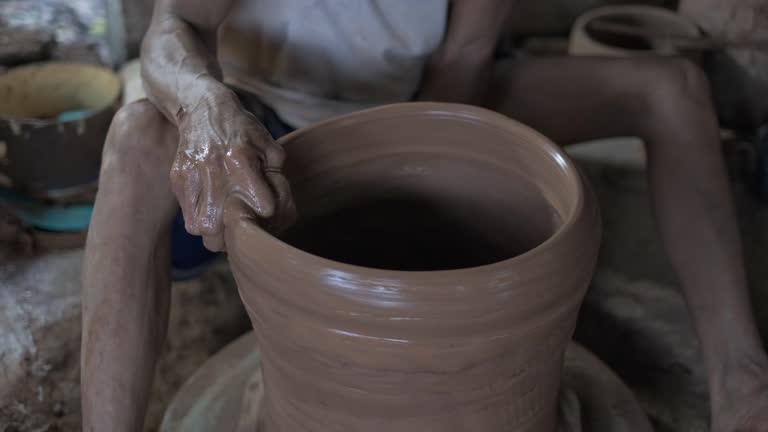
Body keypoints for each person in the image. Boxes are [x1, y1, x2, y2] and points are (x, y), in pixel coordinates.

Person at [80, 0, 768, 430]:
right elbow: (177, 25)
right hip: (260, 116)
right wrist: (203, 105)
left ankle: (742, 384)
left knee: (671, 91)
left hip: (414, 98)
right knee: (138, 138)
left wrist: (410, 214)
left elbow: (464, 60)